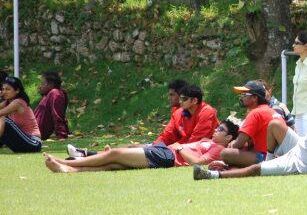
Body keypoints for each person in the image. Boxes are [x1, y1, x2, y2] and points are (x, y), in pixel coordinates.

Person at [193, 90, 307, 180]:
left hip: (299, 163)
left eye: (245, 94)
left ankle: (214, 175)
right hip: (298, 153)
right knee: (260, 166)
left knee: (256, 169)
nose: (242, 97)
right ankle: (269, 160)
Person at [43, 119, 239, 174]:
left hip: (168, 156)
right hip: (165, 151)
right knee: (115, 164)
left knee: (117, 154)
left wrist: (179, 148)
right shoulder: (210, 141)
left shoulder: (218, 149)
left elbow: (198, 162)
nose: (216, 130)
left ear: (228, 136)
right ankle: (67, 169)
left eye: (220, 129)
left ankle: (65, 161)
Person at [218, 80, 280, 167]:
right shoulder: (269, 110)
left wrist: (233, 143)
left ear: (255, 98)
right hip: (279, 156)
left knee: (225, 153)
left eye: (244, 94)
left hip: (267, 158)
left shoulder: (255, 113)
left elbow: (238, 144)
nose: (241, 97)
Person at [151, 84, 218, 147]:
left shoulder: (207, 112)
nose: (180, 102)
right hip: (182, 148)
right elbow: (167, 135)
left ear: (194, 100)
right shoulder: (178, 113)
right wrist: (154, 147)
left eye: (184, 99)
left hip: (202, 150)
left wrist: (177, 149)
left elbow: (196, 140)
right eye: (180, 99)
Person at [0, 76, 42, 153]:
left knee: (4, 120)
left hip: (33, 143)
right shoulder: (7, 102)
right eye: (3, 89)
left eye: (8, 89)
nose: (4, 92)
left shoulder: (18, 102)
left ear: (17, 90)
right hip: (21, 145)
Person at [33, 70, 69, 140]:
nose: (40, 86)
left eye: (42, 83)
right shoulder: (48, 95)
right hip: (30, 131)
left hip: (33, 133)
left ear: (50, 84)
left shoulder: (55, 93)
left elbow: (57, 115)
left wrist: (62, 135)